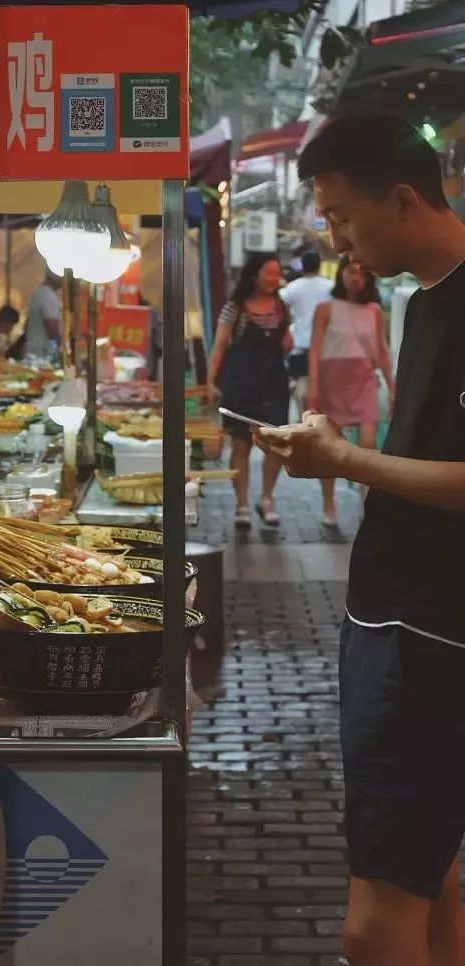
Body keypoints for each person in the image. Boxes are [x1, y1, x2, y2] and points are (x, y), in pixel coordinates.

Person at [253, 114, 465, 966]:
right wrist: (337, 456)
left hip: (429, 643)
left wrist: (345, 458)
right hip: (403, 630)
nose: (334, 236)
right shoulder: (427, 298)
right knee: (432, 885)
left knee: (374, 928)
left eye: (341, 216)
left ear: (403, 198)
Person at [207, 252, 292, 530]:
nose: (274, 278)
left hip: (274, 384)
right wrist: (210, 381)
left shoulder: (282, 306)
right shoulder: (235, 307)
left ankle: (267, 499)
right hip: (241, 384)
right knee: (241, 445)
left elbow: (287, 343)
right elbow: (219, 344)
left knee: (276, 446)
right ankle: (242, 504)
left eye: (276, 273)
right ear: (254, 275)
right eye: (268, 272)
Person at [309, 255, 394, 526]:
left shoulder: (374, 311)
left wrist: (392, 386)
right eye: (351, 272)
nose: (356, 278)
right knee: (330, 445)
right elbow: (315, 349)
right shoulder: (325, 308)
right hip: (333, 380)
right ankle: (328, 505)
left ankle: (367, 504)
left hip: (365, 379)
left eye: (361, 274)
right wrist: (313, 385)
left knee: (368, 445)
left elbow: (381, 350)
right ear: (341, 274)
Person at [280, 250, 333, 414]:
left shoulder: (294, 287)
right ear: (319, 266)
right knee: (326, 393)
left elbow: (279, 301)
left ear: (302, 267)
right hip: (326, 347)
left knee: (302, 391)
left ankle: (305, 422)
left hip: (300, 345)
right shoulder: (331, 286)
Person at [25, 270, 62, 360]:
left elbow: (26, 325)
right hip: (44, 355)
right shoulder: (48, 295)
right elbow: (52, 330)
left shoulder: (37, 293)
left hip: (33, 351)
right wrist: (56, 350)